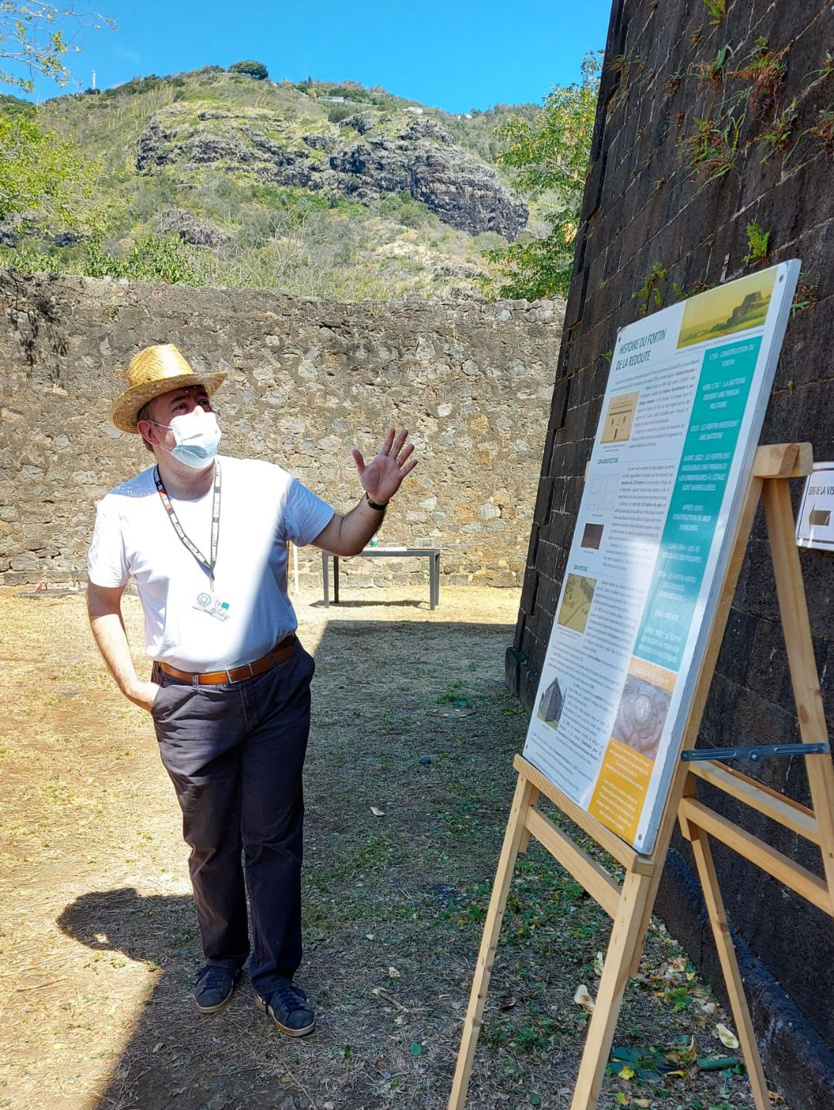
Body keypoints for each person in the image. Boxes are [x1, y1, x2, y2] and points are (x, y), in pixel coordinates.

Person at [86, 343, 417, 1036]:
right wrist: (132, 686)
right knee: (209, 842)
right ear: (150, 431)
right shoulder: (122, 510)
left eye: (203, 399)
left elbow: (344, 538)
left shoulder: (268, 483)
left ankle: (274, 973)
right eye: (182, 405)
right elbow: (103, 601)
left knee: (273, 837)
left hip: (274, 690)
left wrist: (375, 502)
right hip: (189, 702)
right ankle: (221, 955)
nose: (201, 413)